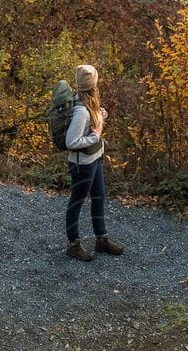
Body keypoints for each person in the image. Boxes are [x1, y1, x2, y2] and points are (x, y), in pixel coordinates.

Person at [63, 63, 124, 261]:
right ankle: (73, 245)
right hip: (83, 164)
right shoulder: (81, 111)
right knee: (77, 202)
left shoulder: (88, 102)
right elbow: (71, 141)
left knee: (99, 197)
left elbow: (92, 122)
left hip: (95, 159)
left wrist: (100, 116)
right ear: (93, 84)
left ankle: (101, 239)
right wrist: (95, 137)